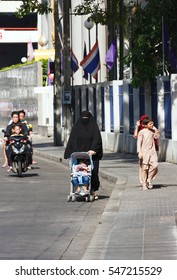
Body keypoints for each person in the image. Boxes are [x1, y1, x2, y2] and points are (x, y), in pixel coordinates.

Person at [64, 111, 103, 200]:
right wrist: (73, 152)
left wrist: (94, 150)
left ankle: (93, 190)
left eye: (86, 118)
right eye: (83, 118)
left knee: (93, 173)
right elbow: (72, 140)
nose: (84, 120)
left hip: (92, 155)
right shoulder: (77, 127)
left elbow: (97, 140)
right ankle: (78, 188)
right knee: (78, 173)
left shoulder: (94, 127)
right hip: (79, 155)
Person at [137, 117, 160, 190]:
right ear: (145, 125)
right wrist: (139, 152)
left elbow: (157, 137)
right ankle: (144, 184)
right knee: (145, 168)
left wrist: (156, 130)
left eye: (153, 123)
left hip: (152, 151)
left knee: (155, 165)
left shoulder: (153, 130)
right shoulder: (142, 132)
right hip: (144, 152)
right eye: (150, 124)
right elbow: (139, 143)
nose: (152, 125)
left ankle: (148, 179)